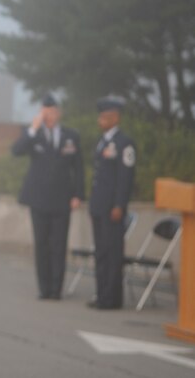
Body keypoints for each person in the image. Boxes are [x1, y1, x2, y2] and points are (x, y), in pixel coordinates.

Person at [12, 94, 84, 300]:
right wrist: (34, 128)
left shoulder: (71, 136)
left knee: (59, 245)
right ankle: (44, 288)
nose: (50, 116)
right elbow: (16, 151)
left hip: (62, 198)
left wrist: (78, 194)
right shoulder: (32, 134)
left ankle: (56, 288)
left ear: (58, 112)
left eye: (52, 112)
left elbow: (77, 168)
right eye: (45, 112)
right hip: (39, 199)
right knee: (41, 244)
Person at [88, 96, 135, 310]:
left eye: (104, 117)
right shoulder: (103, 141)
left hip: (112, 209)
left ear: (114, 118)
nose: (100, 120)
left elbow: (125, 178)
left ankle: (112, 298)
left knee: (113, 252)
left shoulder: (124, 143)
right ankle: (102, 295)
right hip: (99, 206)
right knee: (101, 252)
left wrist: (119, 205)